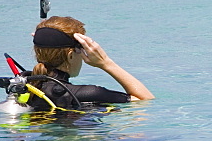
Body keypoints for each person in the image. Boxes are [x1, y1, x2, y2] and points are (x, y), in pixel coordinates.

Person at [24, 16, 154, 111]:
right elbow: (146, 102)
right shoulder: (89, 94)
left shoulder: (26, 85)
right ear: (70, 56)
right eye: (82, 50)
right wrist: (106, 63)